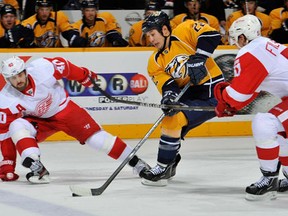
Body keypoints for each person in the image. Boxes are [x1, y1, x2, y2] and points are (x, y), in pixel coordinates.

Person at [0, 56, 150, 184]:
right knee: (16, 125)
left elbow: (65, 66)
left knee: (97, 140)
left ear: (25, 71)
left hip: (65, 110)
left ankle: (137, 163)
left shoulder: (42, 68)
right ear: (7, 80)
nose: (18, 80)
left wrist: (85, 77)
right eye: (13, 78)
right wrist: (8, 163)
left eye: (20, 74)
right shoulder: (6, 99)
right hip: (40, 120)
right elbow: (4, 131)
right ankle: (36, 166)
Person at [139, 11, 224, 186]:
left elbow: (212, 34)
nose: (151, 40)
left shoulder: (184, 30)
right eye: (148, 36)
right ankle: (168, 164)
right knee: (171, 116)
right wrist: (169, 98)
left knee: (173, 120)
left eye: (152, 34)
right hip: (190, 95)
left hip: (212, 92)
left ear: (164, 30)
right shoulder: (154, 61)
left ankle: (164, 166)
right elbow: (168, 85)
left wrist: (199, 57)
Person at [214, 14, 288, 200]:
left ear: (242, 37)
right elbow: (251, 89)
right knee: (280, 129)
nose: (234, 44)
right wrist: (231, 105)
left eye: (234, 39)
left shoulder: (250, 51)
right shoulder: (266, 46)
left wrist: (223, 99)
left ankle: (269, 179)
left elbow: (239, 95)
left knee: (264, 123)